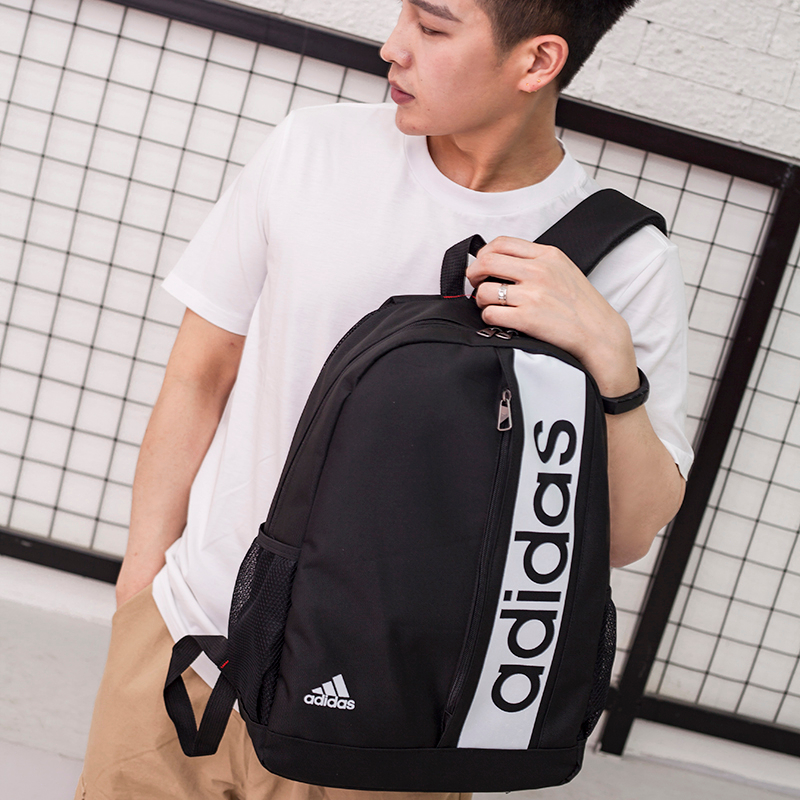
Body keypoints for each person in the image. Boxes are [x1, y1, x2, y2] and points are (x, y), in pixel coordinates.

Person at [76, 0, 693, 797]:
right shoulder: (313, 150)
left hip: (397, 725)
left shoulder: (622, 260)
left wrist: (610, 360)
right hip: (190, 646)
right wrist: (141, 589)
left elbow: (627, 535)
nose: (392, 47)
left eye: (432, 29)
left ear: (537, 61)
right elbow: (202, 372)